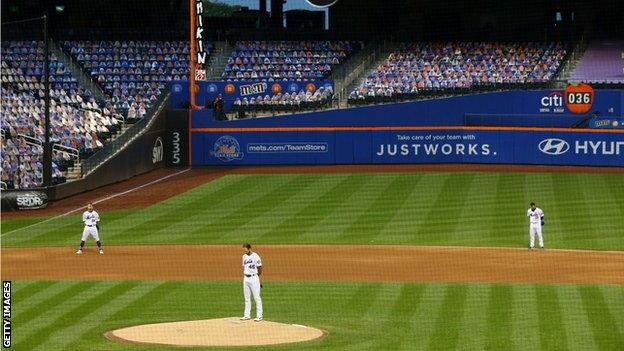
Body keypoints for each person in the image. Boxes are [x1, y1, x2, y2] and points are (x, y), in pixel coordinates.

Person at [240, 243, 263, 321]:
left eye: (246, 250)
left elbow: (260, 268)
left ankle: (259, 316)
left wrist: (256, 278)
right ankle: (247, 315)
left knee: (257, 297)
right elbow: (245, 267)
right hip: (246, 278)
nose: (245, 252)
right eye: (244, 251)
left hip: (254, 278)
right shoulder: (244, 257)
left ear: (250, 249)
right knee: (247, 298)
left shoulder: (256, 256)